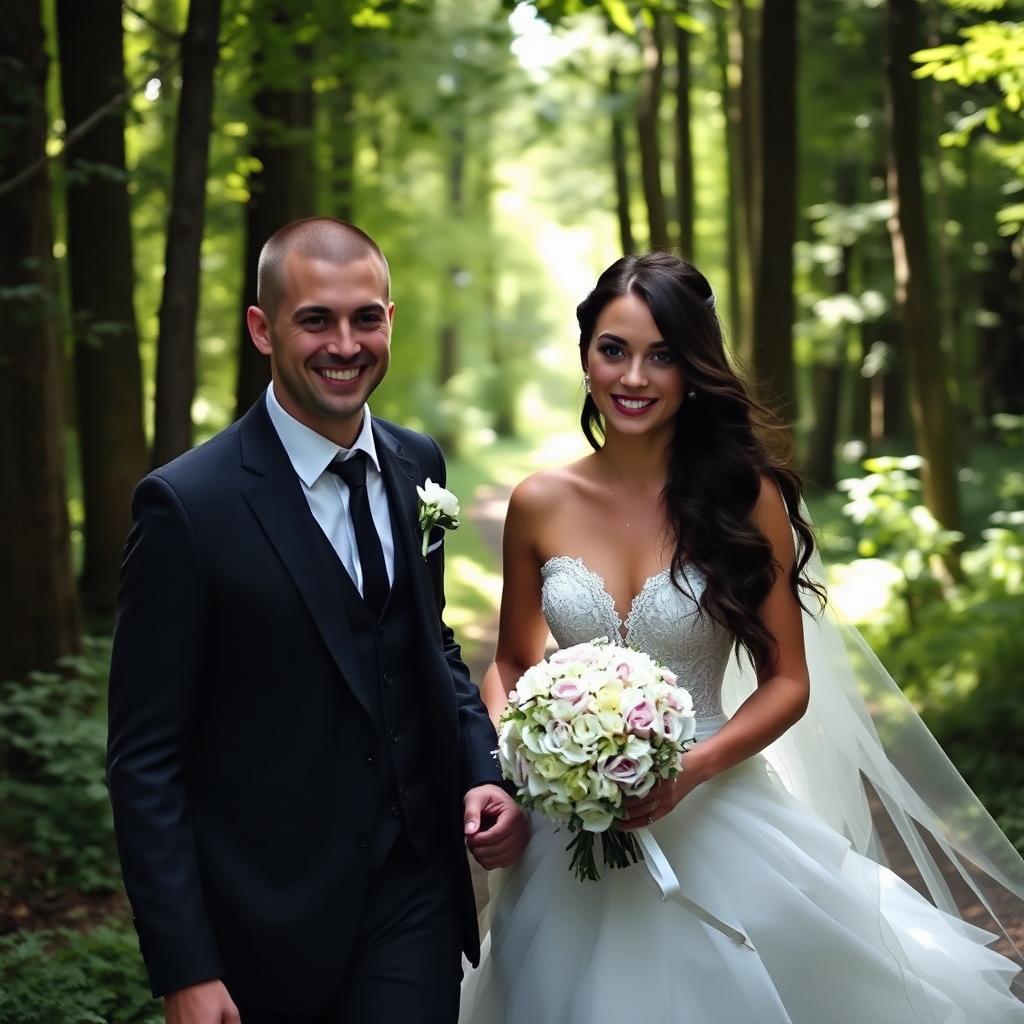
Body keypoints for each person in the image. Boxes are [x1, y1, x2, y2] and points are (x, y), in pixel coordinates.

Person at [459, 251, 1024, 1023]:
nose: (634, 377)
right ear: (586, 354)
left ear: (694, 368)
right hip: (569, 833)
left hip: (717, 806)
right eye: (614, 350)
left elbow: (788, 680)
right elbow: (517, 663)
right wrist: (525, 763)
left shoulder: (743, 498)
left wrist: (688, 769)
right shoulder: (539, 501)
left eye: (662, 355)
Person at [106, 217, 529, 1024]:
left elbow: (428, 644)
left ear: (390, 321)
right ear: (263, 329)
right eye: (316, 320)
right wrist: (184, 968)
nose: (345, 343)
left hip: (413, 895)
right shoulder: (188, 507)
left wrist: (483, 768)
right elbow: (144, 759)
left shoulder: (418, 464)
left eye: (365, 317)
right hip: (263, 919)